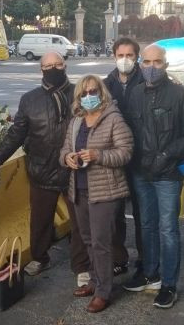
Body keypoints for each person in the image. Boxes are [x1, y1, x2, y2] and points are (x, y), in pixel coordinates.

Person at [0, 52, 91, 284]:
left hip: (75, 170)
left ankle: (82, 266)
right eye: (47, 65)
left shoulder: (80, 94)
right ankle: (40, 258)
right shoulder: (29, 99)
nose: (53, 68)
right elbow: (17, 133)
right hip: (41, 168)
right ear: (40, 69)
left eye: (57, 64)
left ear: (65, 65)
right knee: (40, 220)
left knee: (80, 222)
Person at [122, 43, 184, 309]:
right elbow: (128, 131)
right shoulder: (134, 94)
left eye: (156, 62)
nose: (150, 67)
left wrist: (167, 154)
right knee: (146, 225)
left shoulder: (179, 95)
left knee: (168, 229)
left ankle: (169, 284)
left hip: (168, 174)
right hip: (141, 172)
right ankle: (150, 274)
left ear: (165, 65)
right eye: (146, 62)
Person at [59, 75, 133, 313]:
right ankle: (95, 280)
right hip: (79, 189)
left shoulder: (114, 119)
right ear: (78, 98)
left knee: (101, 243)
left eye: (93, 92)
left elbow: (125, 153)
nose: (89, 96)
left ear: (101, 93)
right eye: (84, 93)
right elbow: (64, 150)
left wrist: (98, 155)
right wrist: (67, 158)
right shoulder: (76, 121)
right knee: (88, 239)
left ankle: (104, 292)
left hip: (105, 191)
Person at [103, 37, 146, 278]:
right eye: (121, 55)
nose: (125, 60)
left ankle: (144, 256)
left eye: (130, 55)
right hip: (116, 159)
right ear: (114, 57)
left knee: (142, 213)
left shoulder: (146, 81)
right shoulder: (106, 85)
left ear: (136, 57)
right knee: (115, 213)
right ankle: (119, 258)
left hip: (140, 158)